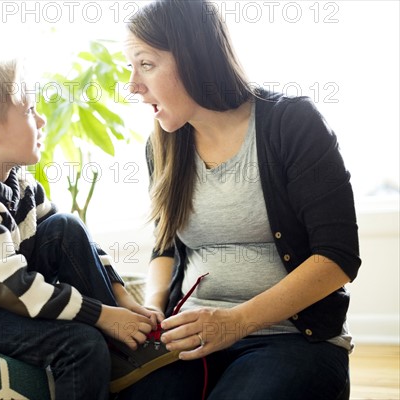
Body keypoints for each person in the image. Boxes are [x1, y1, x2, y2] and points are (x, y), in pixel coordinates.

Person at [117, 1, 361, 399]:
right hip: (191, 339)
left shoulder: (292, 124)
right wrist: (154, 305)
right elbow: (166, 246)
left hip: (291, 338)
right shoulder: (162, 144)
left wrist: (234, 323)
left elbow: (337, 258)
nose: (132, 85)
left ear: (195, 57)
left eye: (145, 64)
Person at [0, 59, 163, 400]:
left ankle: (123, 347)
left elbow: (72, 241)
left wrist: (122, 299)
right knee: (81, 345)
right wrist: (100, 315)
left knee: (65, 226)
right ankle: (111, 349)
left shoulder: (16, 181)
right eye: (29, 111)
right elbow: (11, 288)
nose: (41, 121)